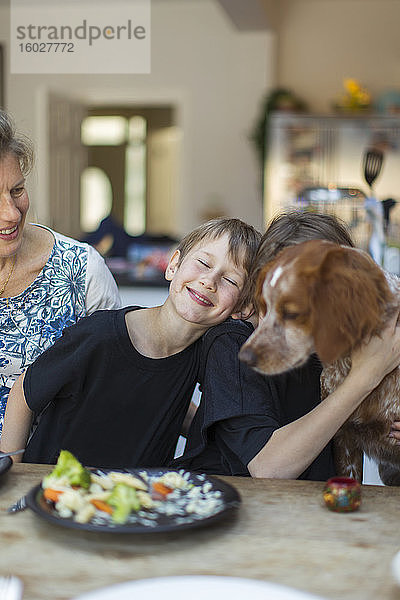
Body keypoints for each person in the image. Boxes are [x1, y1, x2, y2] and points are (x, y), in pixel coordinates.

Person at [0, 217, 261, 468]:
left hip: (135, 502)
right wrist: (14, 474)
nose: (209, 281)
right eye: (203, 263)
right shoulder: (100, 335)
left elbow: (156, 401)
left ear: (242, 306)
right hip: (56, 492)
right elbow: (25, 392)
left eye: (230, 280)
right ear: (173, 266)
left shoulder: (209, 354)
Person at [175, 210, 400, 480]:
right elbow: (268, 468)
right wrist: (366, 376)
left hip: (313, 508)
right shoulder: (232, 344)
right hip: (235, 507)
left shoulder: (360, 340)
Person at [0, 110, 121, 435]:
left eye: (16, 190)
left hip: (56, 476)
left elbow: (119, 384)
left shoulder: (82, 269)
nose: (11, 213)